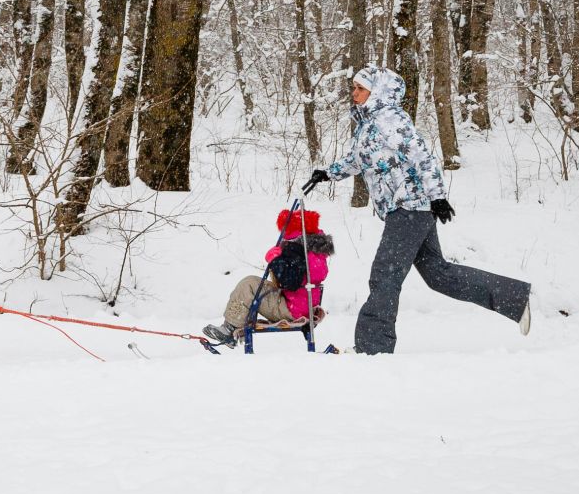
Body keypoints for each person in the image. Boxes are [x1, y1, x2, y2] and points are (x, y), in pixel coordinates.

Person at [306, 65, 531, 354]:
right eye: (354, 88)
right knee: (439, 274)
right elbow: (357, 160)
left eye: (360, 88)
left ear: (378, 91)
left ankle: (372, 348)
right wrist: (328, 173)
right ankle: (513, 297)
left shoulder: (389, 119)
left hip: (409, 205)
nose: (354, 93)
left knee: (385, 276)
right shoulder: (370, 123)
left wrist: (437, 196)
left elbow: (421, 155)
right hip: (408, 208)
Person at [202, 207, 334, 347]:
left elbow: (289, 282)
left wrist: (275, 260)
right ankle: (232, 327)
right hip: (305, 306)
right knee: (254, 284)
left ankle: (229, 329)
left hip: (291, 309)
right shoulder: (315, 253)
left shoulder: (296, 248)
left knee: (249, 284)